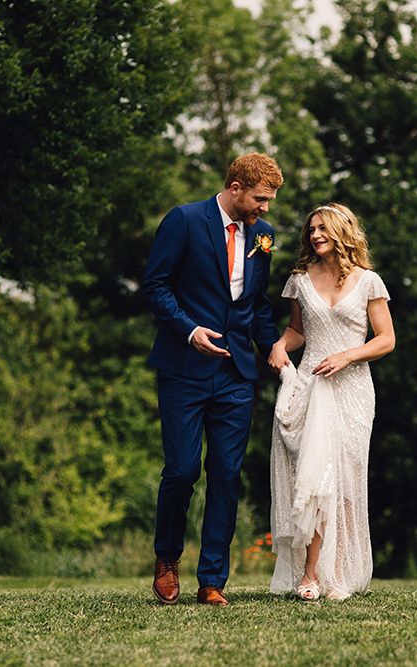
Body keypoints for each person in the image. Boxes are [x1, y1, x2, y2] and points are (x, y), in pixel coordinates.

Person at [142, 153, 283, 606]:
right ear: (237, 187)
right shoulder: (184, 220)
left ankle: (212, 581)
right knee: (183, 470)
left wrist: (274, 350)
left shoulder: (264, 237)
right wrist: (188, 330)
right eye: (261, 199)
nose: (266, 208)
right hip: (184, 368)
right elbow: (156, 285)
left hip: (237, 373)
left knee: (226, 474)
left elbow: (256, 303)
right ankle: (167, 559)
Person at [267, 203, 395, 601]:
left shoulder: (369, 281)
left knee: (345, 484)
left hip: (353, 391)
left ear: (342, 231)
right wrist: (278, 345)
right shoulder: (300, 280)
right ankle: (309, 575)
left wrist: (348, 355)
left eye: (323, 228)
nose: (315, 235)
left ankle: (337, 569)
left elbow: (386, 338)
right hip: (311, 387)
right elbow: (298, 331)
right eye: (312, 229)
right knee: (316, 477)